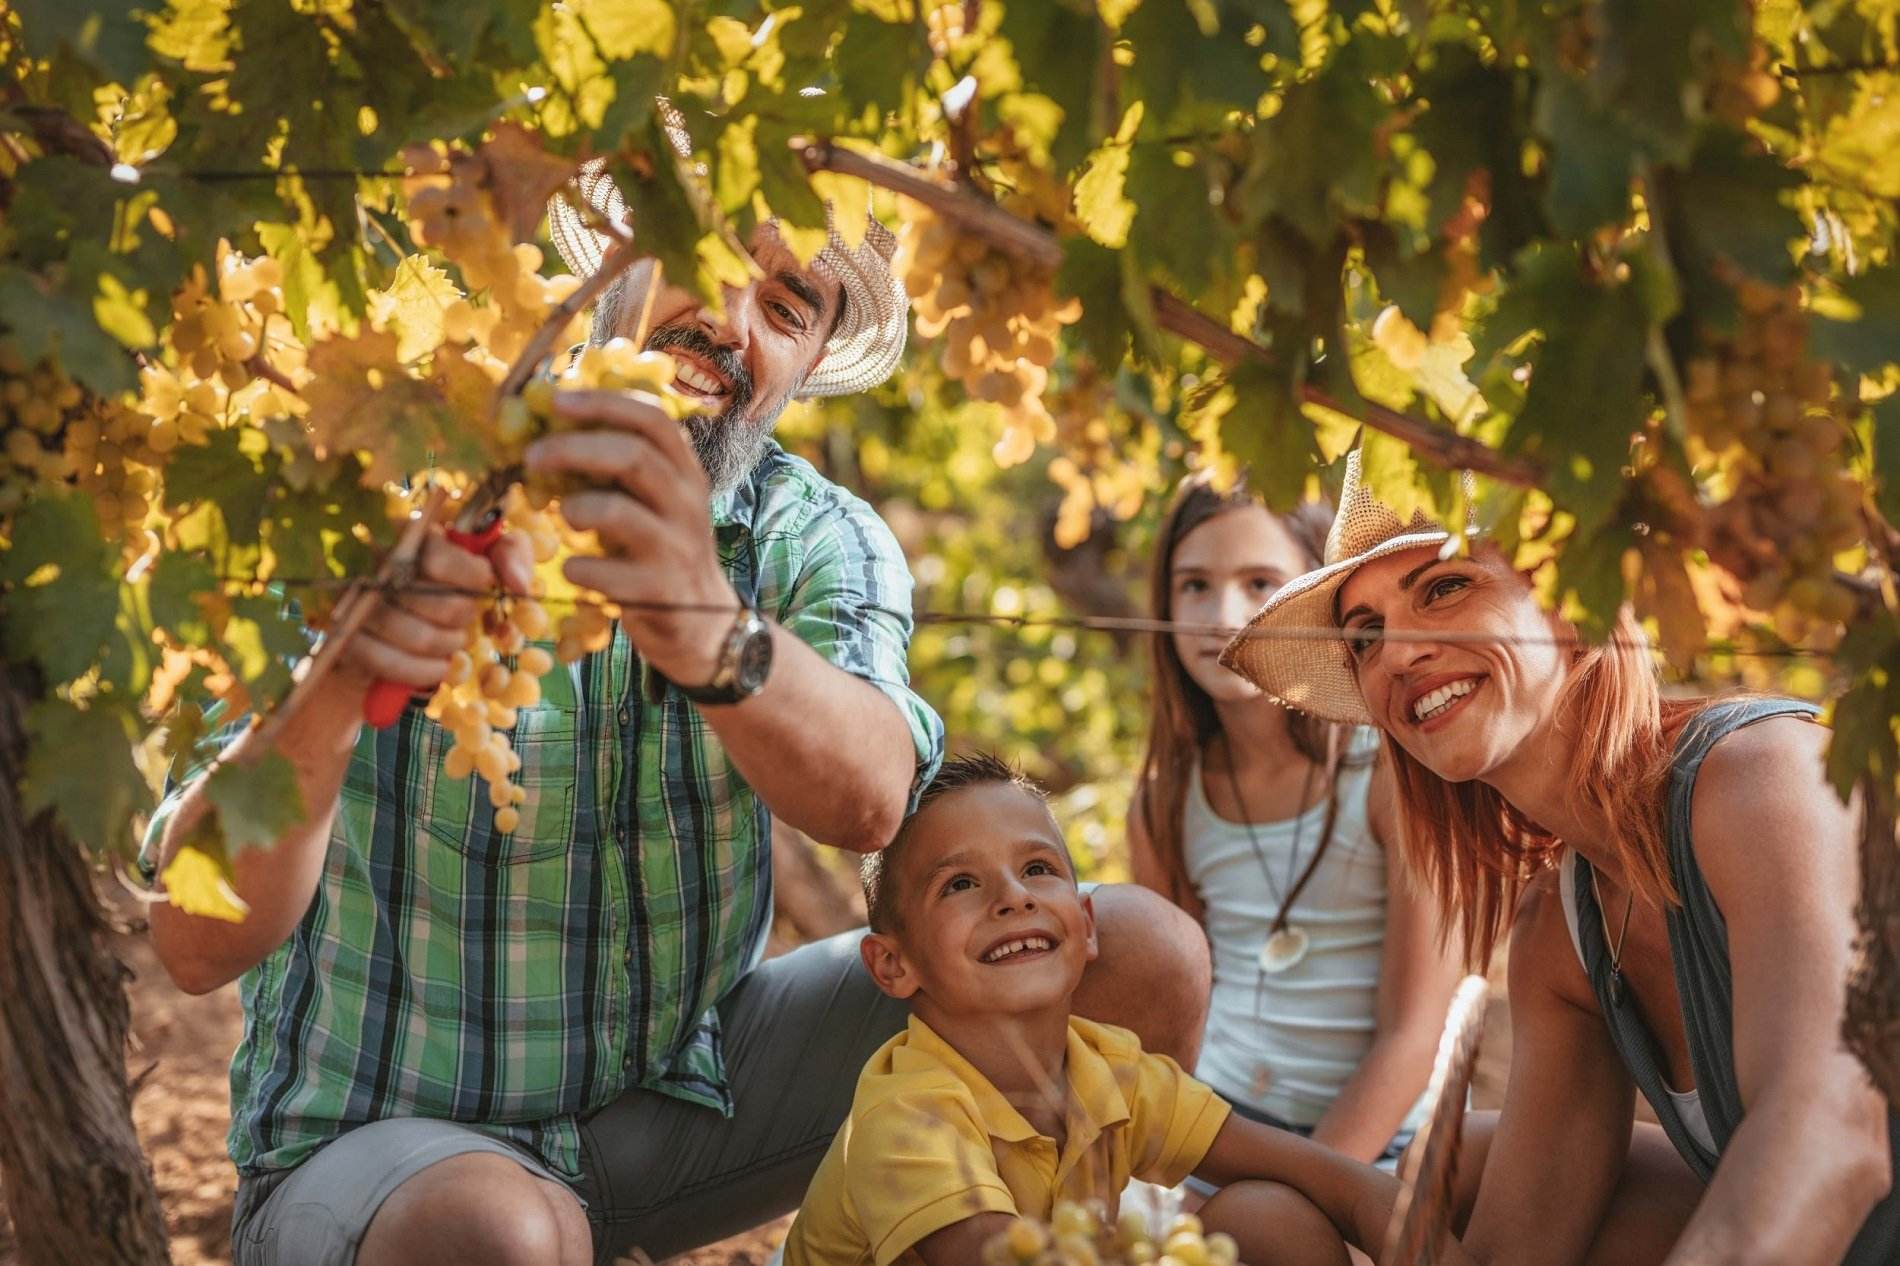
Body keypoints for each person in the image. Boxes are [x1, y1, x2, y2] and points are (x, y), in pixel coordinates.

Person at [139, 175, 1212, 1266]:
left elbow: (871, 796)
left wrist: (709, 629)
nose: (730, 322)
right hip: (383, 1167)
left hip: (681, 1120)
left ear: (802, 368)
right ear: (614, 255)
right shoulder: (387, 480)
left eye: (787, 309)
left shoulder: (810, 536)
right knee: (501, 1227)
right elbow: (191, 945)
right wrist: (334, 682)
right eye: (702, 252)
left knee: (1131, 958)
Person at [1220, 447, 1898, 1264]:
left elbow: (1836, 1134)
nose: (1396, 655)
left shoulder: (1757, 777)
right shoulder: (1560, 929)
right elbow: (1521, 1250)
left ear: (1573, 601)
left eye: (1444, 587)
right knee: (1439, 1160)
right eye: (1364, 638)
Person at [781, 754, 1419, 1266]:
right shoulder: (904, 1113)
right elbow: (992, 1254)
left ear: (1086, 926)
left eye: (1037, 868)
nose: (1013, 898)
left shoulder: (1110, 1070)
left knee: (1269, 1215)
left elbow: (1308, 1167)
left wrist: (1394, 1218)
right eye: (960, 884)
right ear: (893, 965)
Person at [1131, 474, 1459, 1171]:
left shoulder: (1391, 775)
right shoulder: (1165, 800)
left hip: (1375, 1143)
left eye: (1259, 583)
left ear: (1314, 600)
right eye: (1194, 585)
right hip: (1217, 1129)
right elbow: (1172, 1016)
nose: (1223, 613)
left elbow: (1414, 1035)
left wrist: (1305, 1188)